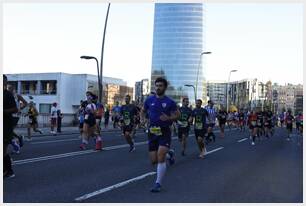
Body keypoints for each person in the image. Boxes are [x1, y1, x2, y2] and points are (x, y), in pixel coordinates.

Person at [141, 77, 180, 193]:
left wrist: (169, 118)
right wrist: (143, 119)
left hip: (164, 131)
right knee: (154, 161)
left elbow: (178, 115)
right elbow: (143, 110)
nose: (158, 88)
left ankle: (158, 183)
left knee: (160, 156)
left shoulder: (170, 102)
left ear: (165, 87)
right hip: (152, 132)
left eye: (160, 86)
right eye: (156, 86)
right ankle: (170, 154)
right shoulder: (149, 100)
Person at [3, 74, 18, 178]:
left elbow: (15, 109)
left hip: (5, 126)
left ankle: (9, 171)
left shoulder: (8, 94)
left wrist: (3, 111)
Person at [7, 84, 28, 153]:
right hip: (8, 115)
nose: (8, 89)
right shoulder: (6, 96)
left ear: (13, 89)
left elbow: (25, 103)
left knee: (7, 132)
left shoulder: (17, 96)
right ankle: (19, 139)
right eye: (7, 88)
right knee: (8, 132)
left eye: (9, 88)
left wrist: (19, 109)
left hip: (15, 116)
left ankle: (16, 146)